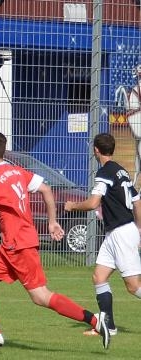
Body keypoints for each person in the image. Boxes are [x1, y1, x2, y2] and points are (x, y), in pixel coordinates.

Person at [0, 131, 110, 353]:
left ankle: (95, 320)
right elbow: (46, 189)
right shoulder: (16, 171)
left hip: (18, 245)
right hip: (13, 244)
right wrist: (52, 222)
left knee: (41, 296)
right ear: (4, 150)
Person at [64, 132, 141, 337]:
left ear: (96, 150)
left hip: (122, 233)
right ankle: (108, 326)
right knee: (99, 277)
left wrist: (72, 206)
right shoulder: (121, 172)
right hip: (116, 233)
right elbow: (137, 201)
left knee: (134, 287)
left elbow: (92, 203)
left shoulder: (105, 172)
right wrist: (139, 228)